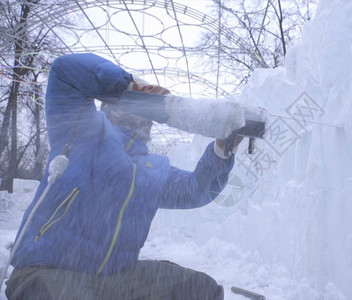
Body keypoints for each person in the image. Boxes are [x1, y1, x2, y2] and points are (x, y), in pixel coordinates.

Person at [5, 53, 243, 299]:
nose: (143, 107)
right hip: (46, 274)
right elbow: (64, 71)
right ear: (111, 104)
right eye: (139, 98)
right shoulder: (84, 131)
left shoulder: (153, 169)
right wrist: (127, 84)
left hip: (114, 281)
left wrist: (222, 150)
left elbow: (197, 190)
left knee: (200, 288)